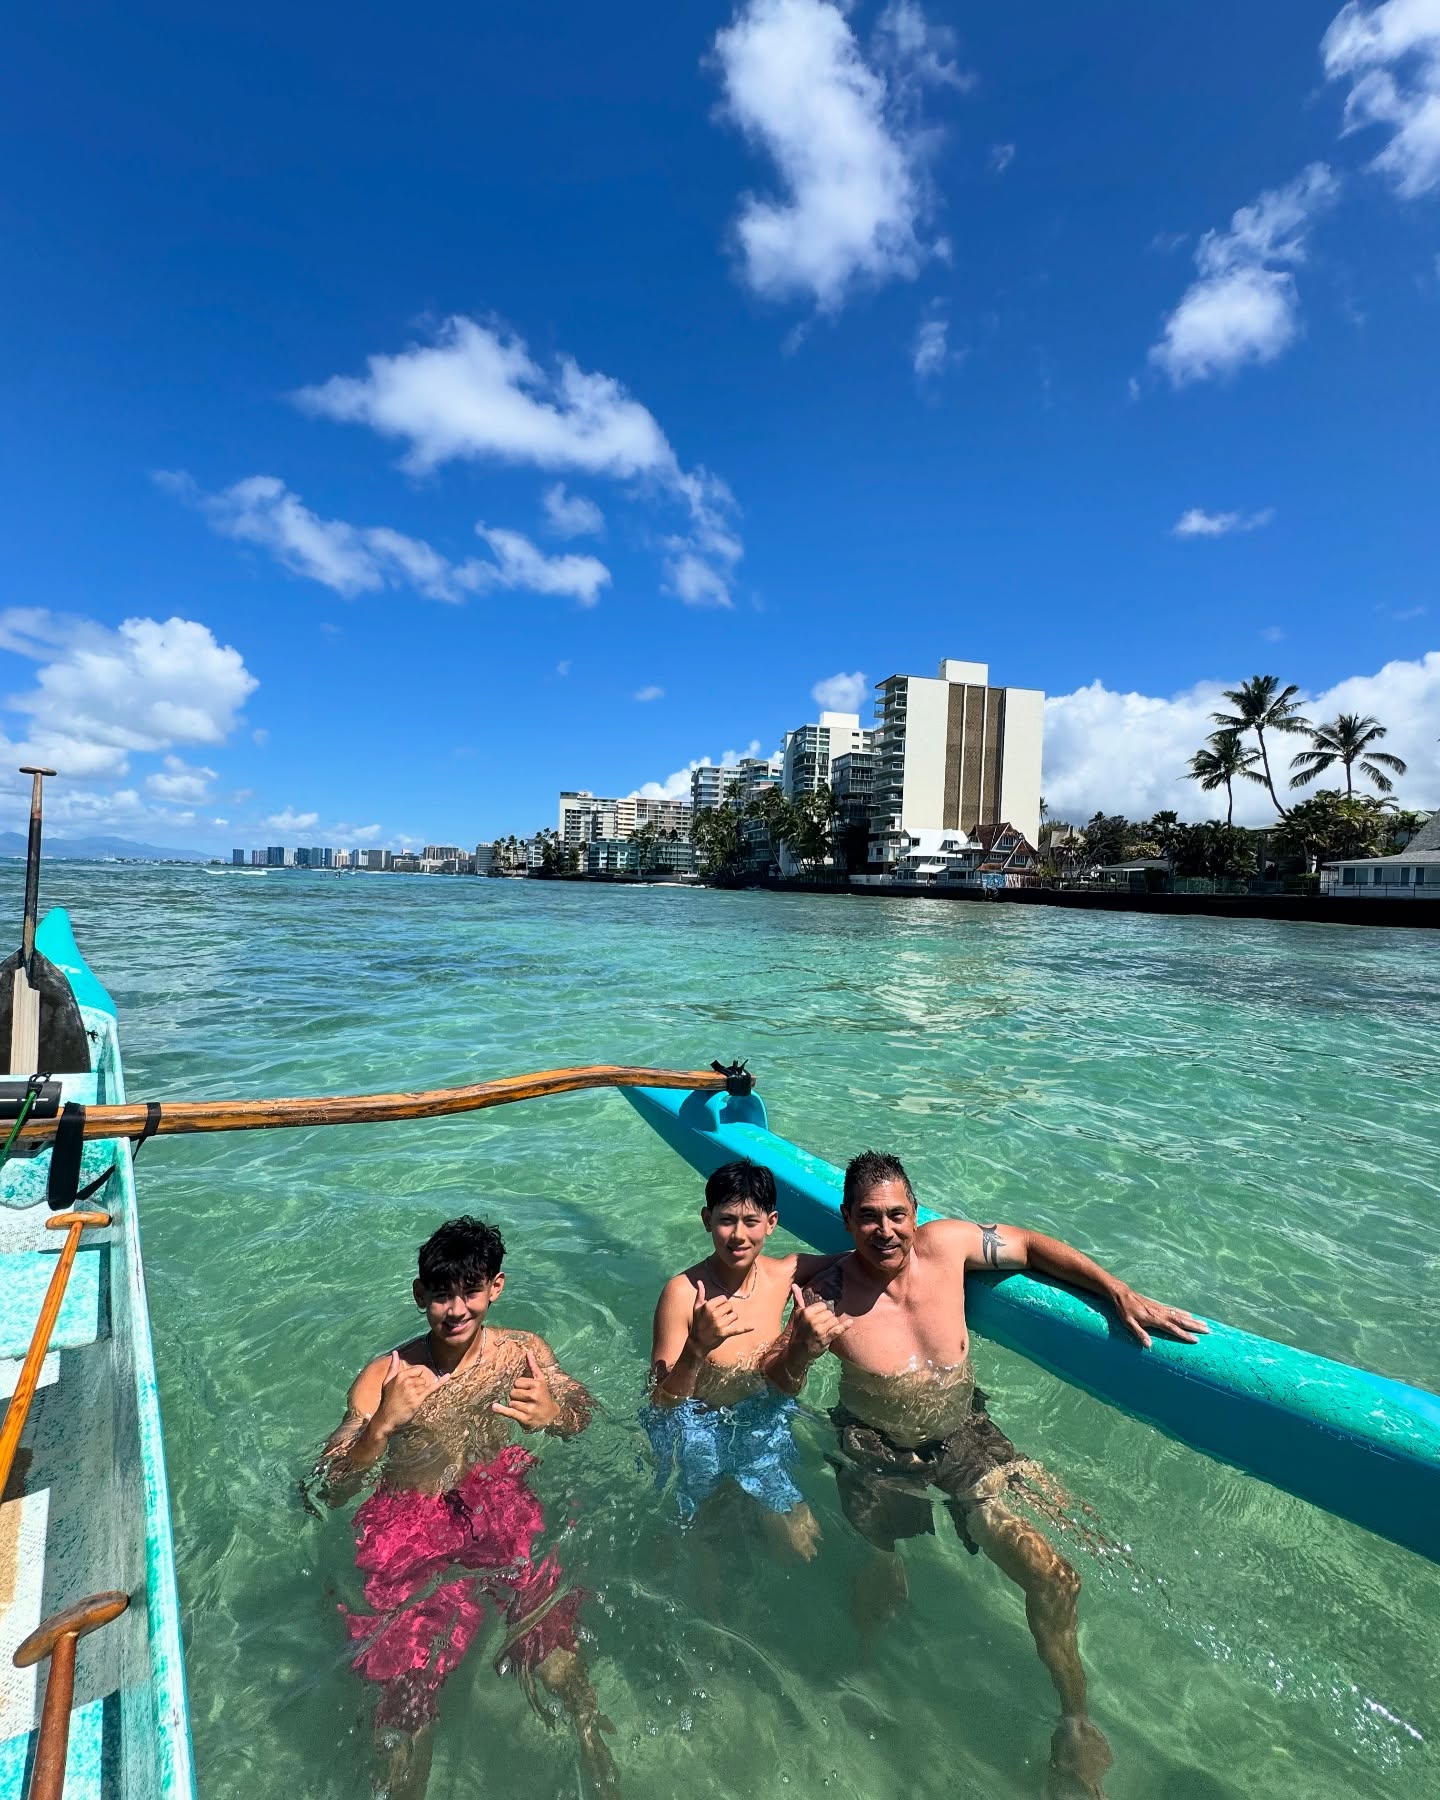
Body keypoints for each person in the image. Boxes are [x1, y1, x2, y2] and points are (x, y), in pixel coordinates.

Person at [765, 1151, 1209, 1800]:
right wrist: (802, 1347)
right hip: (877, 1453)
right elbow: (775, 1385)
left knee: (1058, 1576)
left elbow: (1028, 1246)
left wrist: (1115, 1291)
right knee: (883, 1578)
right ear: (847, 1221)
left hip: (966, 1438)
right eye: (868, 1218)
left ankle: (1076, 1725)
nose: (885, 1230)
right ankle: (863, 1670)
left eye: (897, 1215)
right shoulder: (827, 1298)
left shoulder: (946, 1248)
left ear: (917, 1214)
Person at [315, 1215, 618, 1800]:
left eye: (470, 1291)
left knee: (554, 1649)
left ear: (495, 1288)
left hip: (496, 1499)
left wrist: (555, 1415)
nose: (456, 1309)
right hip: (409, 1519)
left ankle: (590, 1744)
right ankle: (401, 1784)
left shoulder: (522, 1353)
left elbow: (583, 1413)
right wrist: (381, 1428)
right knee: (408, 1686)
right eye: (441, 1294)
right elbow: (330, 1487)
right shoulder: (385, 1376)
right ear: (419, 1294)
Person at [644, 1158, 837, 1559]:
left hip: (760, 1417)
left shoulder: (786, 1274)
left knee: (801, 1541)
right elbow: (660, 1404)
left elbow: (859, 1260)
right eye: (726, 1220)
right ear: (706, 1220)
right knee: (704, 1537)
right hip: (694, 1422)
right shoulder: (682, 1294)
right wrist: (697, 1347)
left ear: (772, 1222)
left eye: (751, 1221)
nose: (738, 1235)